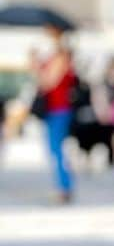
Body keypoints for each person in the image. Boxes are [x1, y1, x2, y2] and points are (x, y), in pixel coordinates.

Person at [35, 24, 76, 203]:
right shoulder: (54, 57)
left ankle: (64, 187)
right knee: (54, 149)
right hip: (52, 108)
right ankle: (63, 186)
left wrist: (36, 66)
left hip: (59, 109)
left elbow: (49, 82)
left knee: (57, 149)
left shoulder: (61, 57)